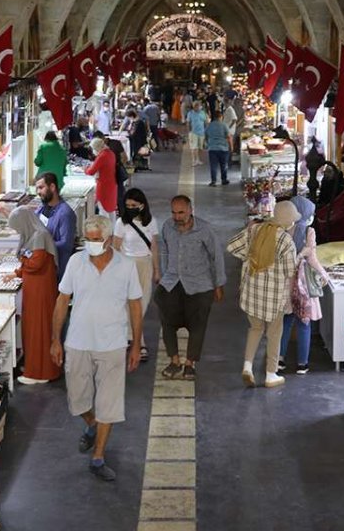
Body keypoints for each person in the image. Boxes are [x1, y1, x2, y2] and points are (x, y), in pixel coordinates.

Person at [50, 215, 143, 482]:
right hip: (78, 341)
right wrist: (55, 339)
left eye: (96, 240)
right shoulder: (76, 263)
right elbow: (62, 300)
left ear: (107, 240)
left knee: (109, 403)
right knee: (77, 399)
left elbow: (135, 305)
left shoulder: (125, 266)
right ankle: (91, 424)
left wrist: (135, 344)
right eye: (88, 240)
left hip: (112, 344)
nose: (91, 244)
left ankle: (98, 456)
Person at [227, 200, 299, 388]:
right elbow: (290, 273)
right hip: (274, 298)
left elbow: (232, 247)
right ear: (290, 222)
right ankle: (270, 374)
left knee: (255, 329)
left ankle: (247, 366)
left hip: (251, 293)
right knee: (274, 334)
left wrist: (250, 258)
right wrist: (290, 299)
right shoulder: (286, 242)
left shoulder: (256, 230)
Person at [156, 195, 226, 380]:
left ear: (190, 210)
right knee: (167, 321)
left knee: (198, 325)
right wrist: (162, 275)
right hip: (172, 282)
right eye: (173, 212)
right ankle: (174, 361)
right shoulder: (167, 227)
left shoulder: (205, 230)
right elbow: (163, 251)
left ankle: (190, 364)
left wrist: (218, 284)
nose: (177, 217)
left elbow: (216, 257)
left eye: (181, 212)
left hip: (200, 284)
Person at [6, 208, 60, 384]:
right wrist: (16, 273)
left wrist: (22, 263)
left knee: (38, 329)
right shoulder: (34, 235)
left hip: (40, 291)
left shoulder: (38, 237)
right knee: (33, 328)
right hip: (36, 288)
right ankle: (33, 365)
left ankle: (39, 372)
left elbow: (35, 263)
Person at [278, 197, 330, 374]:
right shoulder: (309, 231)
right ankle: (302, 363)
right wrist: (324, 274)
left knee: (285, 322)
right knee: (304, 324)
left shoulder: (283, 230)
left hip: (285, 283)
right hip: (303, 286)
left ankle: (279, 359)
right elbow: (312, 259)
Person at [113, 189, 159, 363]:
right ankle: (139, 343)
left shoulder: (151, 222)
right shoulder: (120, 223)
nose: (130, 208)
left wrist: (157, 269)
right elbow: (116, 247)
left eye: (134, 205)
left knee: (142, 303)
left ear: (142, 205)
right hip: (126, 265)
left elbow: (154, 247)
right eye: (127, 206)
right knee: (130, 305)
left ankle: (130, 338)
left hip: (145, 265)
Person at [36, 173, 77, 281]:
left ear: (52, 187)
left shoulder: (65, 213)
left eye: (41, 187)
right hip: (45, 267)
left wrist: (41, 245)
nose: (38, 192)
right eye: (37, 188)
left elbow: (66, 244)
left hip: (58, 271)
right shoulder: (43, 208)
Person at [84, 137, 118, 215]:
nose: (93, 151)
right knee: (111, 211)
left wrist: (85, 169)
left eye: (93, 149)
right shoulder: (111, 153)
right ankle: (112, 227)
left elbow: (91, 171)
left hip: (103, 187)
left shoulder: (102, 156)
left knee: (103, 211)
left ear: (96, 148)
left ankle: (104, 227)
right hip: (112, 185)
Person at [205, 109, 233, 186]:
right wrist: (231, 147)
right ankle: (224, 180)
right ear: (221, 117)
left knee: (213, 165)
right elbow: (229, 137)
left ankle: (213, 181)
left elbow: (206, 136)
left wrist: (208, 144)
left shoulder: (209, 125)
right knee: (223, 165)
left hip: (212, 148)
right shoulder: (224, 125)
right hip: (223, 148)